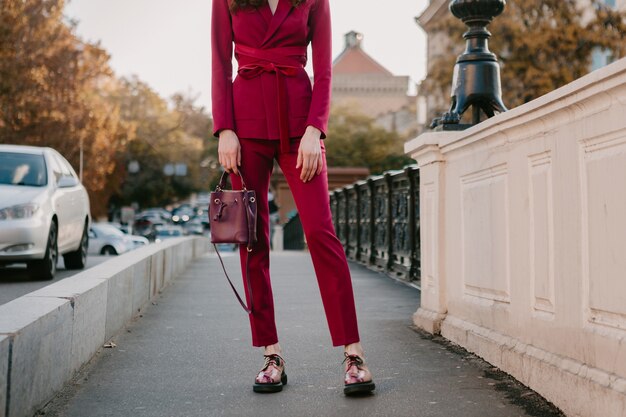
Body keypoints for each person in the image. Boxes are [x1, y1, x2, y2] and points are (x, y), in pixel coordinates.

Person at [211, 0, 375, 395]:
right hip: (246, 126)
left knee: (321, 233)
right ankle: (271, 354)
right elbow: (219, 61)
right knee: (252, 240)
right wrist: (225, 129)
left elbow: (325, 69)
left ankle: (353, 353)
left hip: (300, 126)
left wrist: (315, 130)